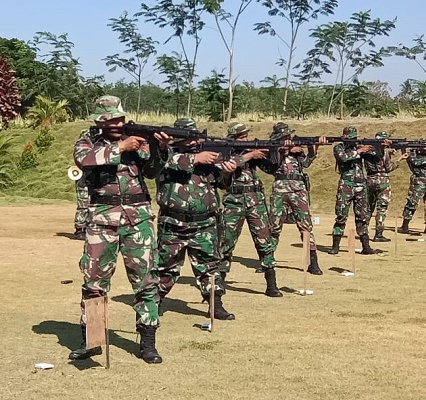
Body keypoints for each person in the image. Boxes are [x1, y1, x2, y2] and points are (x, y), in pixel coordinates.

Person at [70, 95, 169, 364]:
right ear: (100, 121)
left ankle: (148, 342)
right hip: (101, 221)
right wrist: (120, 147)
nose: (117, 123)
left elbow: (152, 171)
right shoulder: (88, 141)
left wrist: (159, 149)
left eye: (119, 119)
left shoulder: (138, 139)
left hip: (138, 222)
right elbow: (84, 161)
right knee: (94, 283)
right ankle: (91, 341)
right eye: (111, 119)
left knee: (147, 282)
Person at [156, 119, 239, 320]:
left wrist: (228, 172)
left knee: (210, 266)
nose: (194, 141)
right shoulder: (164, 153)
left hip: (205, 224)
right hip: (173, 224)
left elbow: (222, 183)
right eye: (190, 137)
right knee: (165, 266)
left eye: (196, 137)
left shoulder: (208, 158)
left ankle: (215, 304)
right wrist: (196, 160)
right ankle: (154, 303)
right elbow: (161, 163)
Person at [219, 122, 281, 297]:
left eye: (246, 136)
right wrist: (248, 155)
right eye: (241, 137)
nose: (245, 139)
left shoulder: (252, 154)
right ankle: (219, 283)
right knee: (226, 243)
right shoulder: (225, 151)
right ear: (232, 138)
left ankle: (271, 284)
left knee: (265, 242)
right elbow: (223, 175)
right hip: (234, 201)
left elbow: (272, 168)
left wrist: (279, 152)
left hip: (256, 201)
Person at [260, 122, 324, 275]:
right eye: (285, 136)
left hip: (298, 190)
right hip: (280, 189)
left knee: (306, 226)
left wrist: (313, 148)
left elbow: (306, 163)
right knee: (274, 226)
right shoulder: (272, 149)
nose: (289, 137)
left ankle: (313, 262)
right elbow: (271, 166)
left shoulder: (296, 152)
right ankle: (267, 260)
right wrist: (285, 150)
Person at [329, 127, 377, 255]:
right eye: (351, 138)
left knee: (362, 216)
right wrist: (359, 151)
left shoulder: (359, 147)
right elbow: (343, 158)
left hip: (361, 184)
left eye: (354, 138)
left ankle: (366, 246)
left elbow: (375, 158)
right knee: (341, 216)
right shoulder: (339, 148)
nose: (353, 141)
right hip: (346, 184)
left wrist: (378, 147)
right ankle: (335, 246)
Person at [364, 131, 408, 242]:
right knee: (381, 208)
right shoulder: (383, 153)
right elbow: (388, 168)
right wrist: (399, 159)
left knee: (369, 207)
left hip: (369, 179)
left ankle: (364, 232)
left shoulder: (367, 151)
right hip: (382, 180)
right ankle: (378, 234)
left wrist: (389, 153)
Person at [398, 146, 426, 234]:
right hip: (418, 181)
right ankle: (405, 225)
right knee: (412, 203)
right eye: (425, 147)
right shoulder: (413, 155)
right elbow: (415, 163)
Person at [72, 130, 91, 241]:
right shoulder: (82, 148)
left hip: (92, 181)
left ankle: (87, 227)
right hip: (83, 180)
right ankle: (80, 228)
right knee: (83, 205)